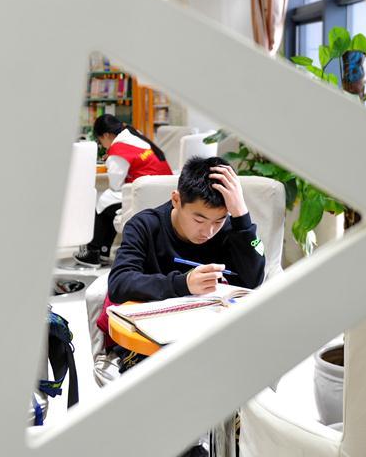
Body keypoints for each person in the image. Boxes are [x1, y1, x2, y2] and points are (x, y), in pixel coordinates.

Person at [98, 155, 266, 370]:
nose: (208, 231)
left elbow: (253, 281)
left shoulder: (229, 231)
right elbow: (119, 284)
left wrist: (241, 216)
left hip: (208, 336)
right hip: (152, 339)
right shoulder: (145, 226)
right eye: (198, 219)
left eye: (218, 220)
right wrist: (183, 284)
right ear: (176, 200)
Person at [73, 114, 173, 267]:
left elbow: (115, 184)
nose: (102, 145)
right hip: (163, 193)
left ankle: (94, 252)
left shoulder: (119, 149)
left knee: (103, 200)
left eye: (100, 140)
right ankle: (103, 252)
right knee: (108, 201)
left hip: (146, 195)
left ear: (106, 135)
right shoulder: (134, 135)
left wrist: (110, 162)